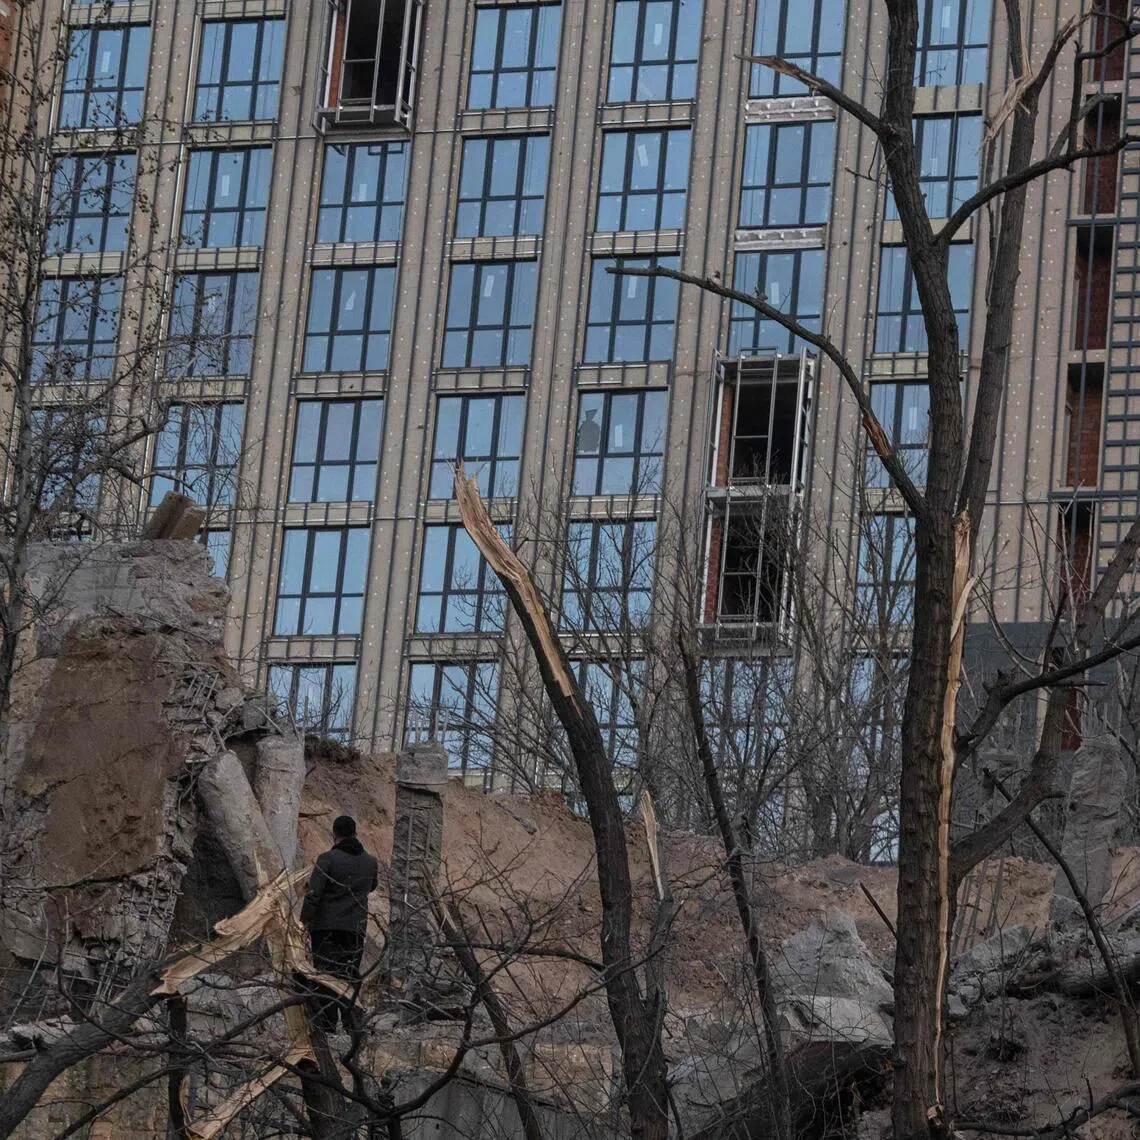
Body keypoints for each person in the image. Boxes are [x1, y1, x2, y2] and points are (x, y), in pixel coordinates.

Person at [300, 814, 378, 1032]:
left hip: (325, 928)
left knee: (325, 975)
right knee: (350, 973)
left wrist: (304, 921)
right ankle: (352, 1023)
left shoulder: (327, 859)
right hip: (355, 928)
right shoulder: (370, 862)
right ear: (355, 833)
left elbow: (314, 894)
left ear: (335, 834)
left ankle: (327, 1024)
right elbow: (372, 886)